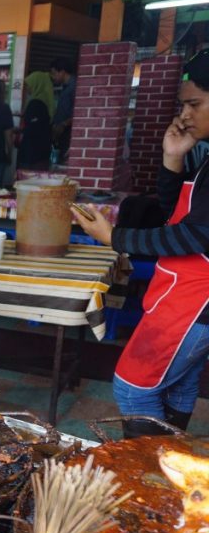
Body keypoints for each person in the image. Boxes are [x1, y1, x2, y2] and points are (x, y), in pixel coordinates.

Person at [70, 49, 209, 432]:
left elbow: (197, 234)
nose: (184, 115)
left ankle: (147, 476)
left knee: (133, 388)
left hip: (196, 304)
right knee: (178, 385)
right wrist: (172, 159)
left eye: (194, 104)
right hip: (184, 296)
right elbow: (175, 216)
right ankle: (168, 465)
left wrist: (115, 236)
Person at [18, 73, 54, 171]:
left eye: (28, 85)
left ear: (36, 85)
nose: (27, 88)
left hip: (31, 155)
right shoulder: (46, 101)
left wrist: (19, 133)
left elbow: (32, 129)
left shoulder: (35, 103)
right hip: (42, 153)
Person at [50, 57, 77, 159]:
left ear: (62, 72)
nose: (53, 77)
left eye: (54, 73)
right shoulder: (65, 87)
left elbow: (78, 113)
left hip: (68, 133)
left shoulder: (74, 86)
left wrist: (64, 123)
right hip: (61, 133)